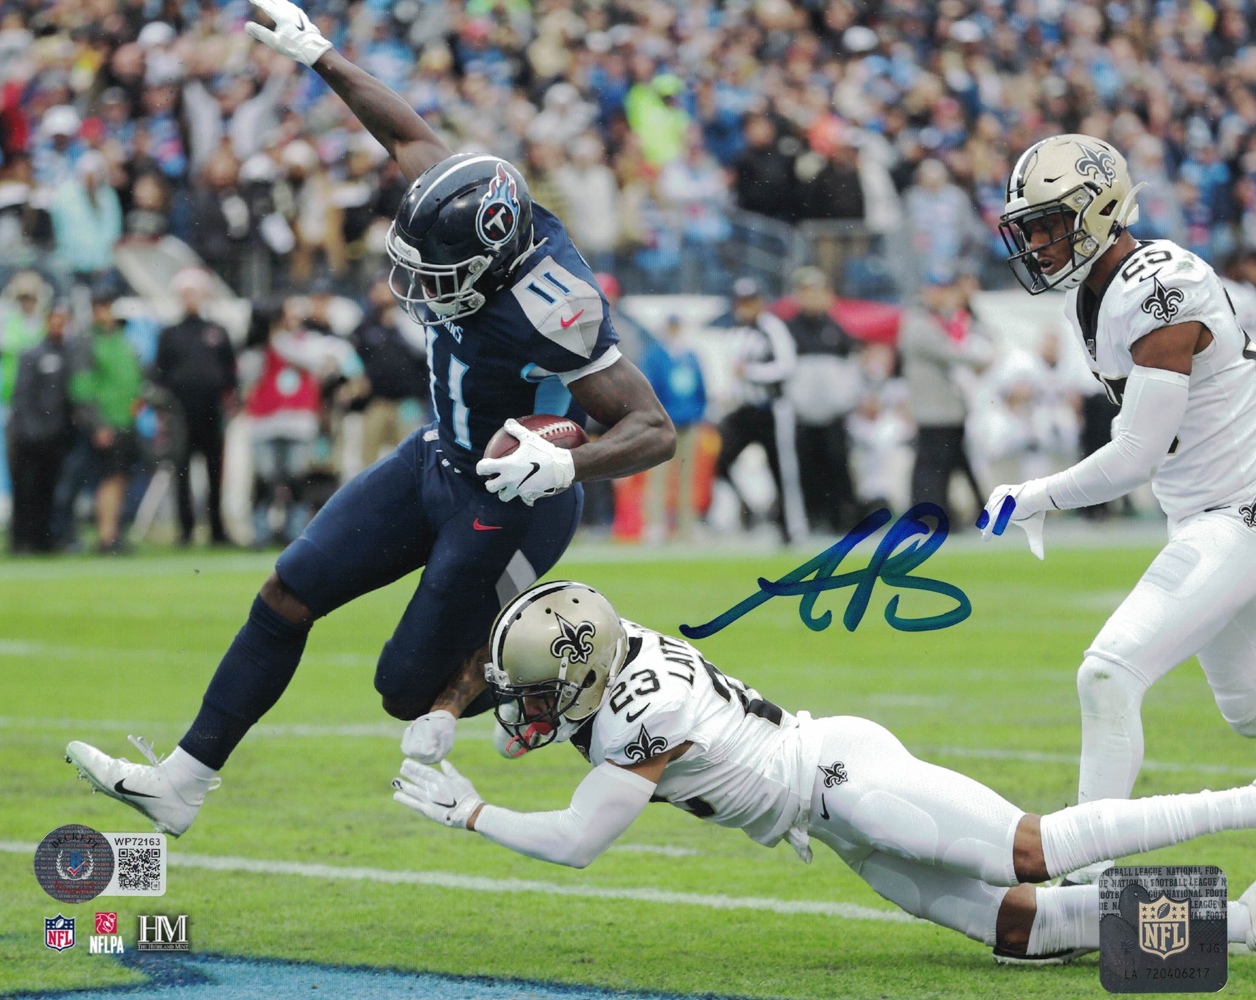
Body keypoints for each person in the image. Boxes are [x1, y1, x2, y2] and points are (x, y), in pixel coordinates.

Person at [65, 0, 675, 839]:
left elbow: (652, 427)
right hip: (437, 461)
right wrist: (321, 54)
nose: (423, 287)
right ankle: (182, 781)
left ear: (494, 261)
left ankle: (562, 670)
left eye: (443, 272)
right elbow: (406, 134)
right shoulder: (464, 202)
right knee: (287, 593)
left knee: (403, 691)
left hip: (511, 497)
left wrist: (564, 465)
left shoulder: (553, 304)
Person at [392, 579, 1256, 964]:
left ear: (580, 679)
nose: (525, 712)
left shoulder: (637, 712)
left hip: (844, 779)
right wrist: (443, 710)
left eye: (540, 696)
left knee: (1028, 851)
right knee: (1019, 930)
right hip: (828, 815)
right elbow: (505, 642)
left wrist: (470, 813)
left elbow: (578, 841)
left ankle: (1245, 802)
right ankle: (1239, 926)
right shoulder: (607, 646)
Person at [978, 135, 1256, 891]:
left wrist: (1034, 495)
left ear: (1098, 210)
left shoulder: (1160, 285)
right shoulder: (1095, 291)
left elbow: (1135, 454)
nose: (1036, 243)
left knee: (1108, 673)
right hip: (1211, 510)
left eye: (1047, 224)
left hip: (1239, 513)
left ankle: (1080, 876)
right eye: (1027, 228)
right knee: (1250, 713)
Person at [713, 277, 806, 544]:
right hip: (743, 410)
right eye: (741, 302)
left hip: (770, 409)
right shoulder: (734, 332)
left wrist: (753, 372)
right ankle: (750, 511)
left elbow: (787, 366)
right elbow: (730, 371)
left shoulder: (772, 328)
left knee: (782, 469)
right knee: (721, 462)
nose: (745, 307)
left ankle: (791, 527)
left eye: (750, 301)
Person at [899, 268, 992, 527]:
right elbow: (945, 350)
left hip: (947, 407)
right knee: (930, 465)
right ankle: (928, 516)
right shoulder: (917, 321)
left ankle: (941, 513)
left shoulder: (940, 318)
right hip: (932, 407)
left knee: (943, 464)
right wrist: (980, 359)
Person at [153, 268, 238, 546]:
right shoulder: (170, 334)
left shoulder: (217, 331)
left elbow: (229, 373)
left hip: (212, 410)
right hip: (181, 411)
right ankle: (186, 529)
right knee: (182, 471)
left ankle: (216, 529)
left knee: (215, 471)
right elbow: (161, 374)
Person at [780, 267, 862, 532]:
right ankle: (810, 518)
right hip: (801, 414)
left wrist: (845, 400)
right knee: (805, 468)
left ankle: (841, 518)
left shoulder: (837, 329)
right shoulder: (788, 330)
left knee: (837, 464)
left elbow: (851, 369)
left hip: (834, 414)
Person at [69, 285, 143, 554]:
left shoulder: (122, 340)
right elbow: (82, 388)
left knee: (120, 477)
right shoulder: (88, 342)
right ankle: (106, 536)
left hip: (126, 420)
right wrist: (97, 423)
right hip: (106, 422)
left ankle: (112, 532)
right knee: (108, 478)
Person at [7, 300, 72, 552]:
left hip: (55, 436)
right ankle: (21, 542)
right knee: (25, 490)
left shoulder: (68, 354)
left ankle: (43, 540)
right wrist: (32, 431)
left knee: (48, 489)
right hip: (28, 436)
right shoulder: (32, 354)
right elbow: (21, 396)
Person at [350, 276, 429, 468]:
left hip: (408, 402)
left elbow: (425, 348)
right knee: (368, 459)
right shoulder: (365, 327)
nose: (384, 295)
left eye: (389, 289)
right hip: (377, 401)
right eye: (380, 290)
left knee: (412, 456)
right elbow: (353, 358)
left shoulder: (412, 320)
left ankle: (411, 497)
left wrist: (400, 322)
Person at [640, 314, 706, 543]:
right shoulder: (656, 356)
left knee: (688, 476)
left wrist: (697, 412)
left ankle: (686, 525)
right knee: (658, 476)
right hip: (664, 424)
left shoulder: (690, 356)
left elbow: (701, 389)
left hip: (688, 422)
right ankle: (655, 524)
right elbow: (649, 388)